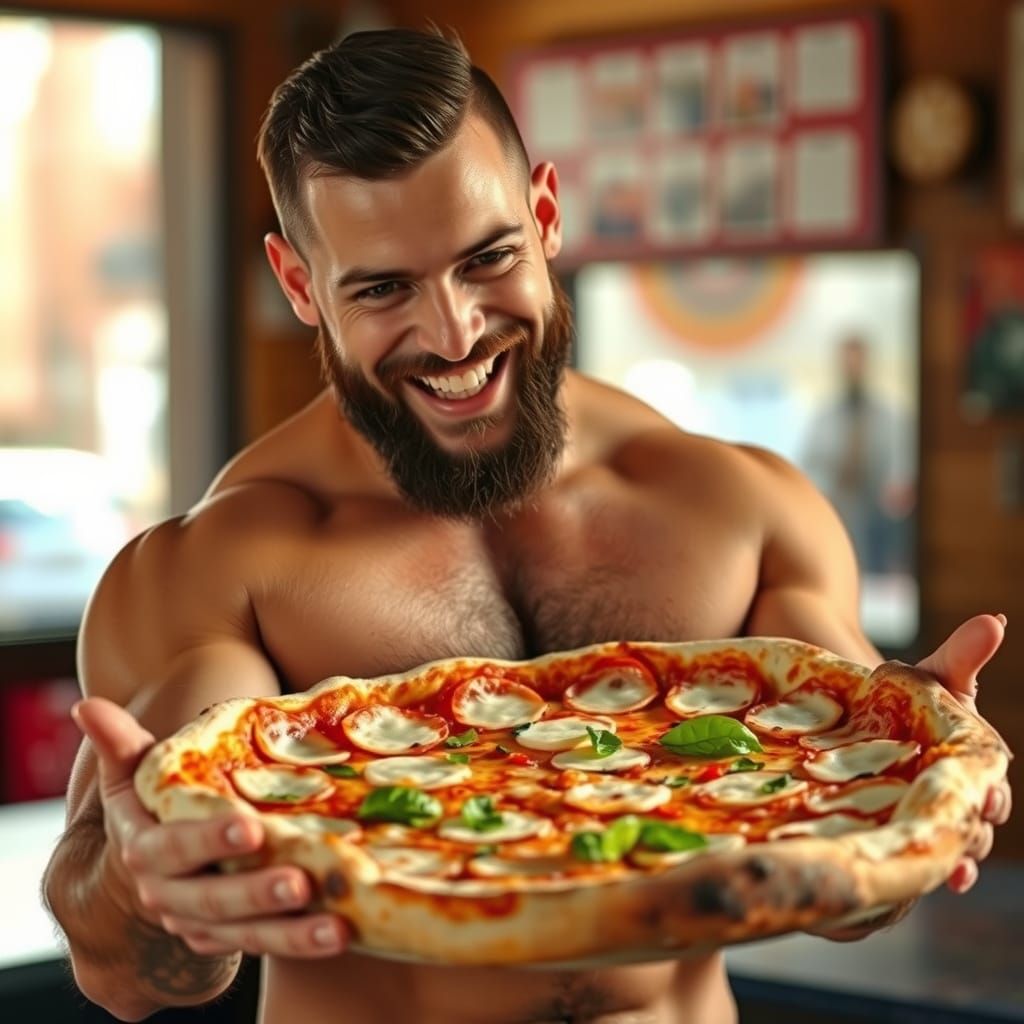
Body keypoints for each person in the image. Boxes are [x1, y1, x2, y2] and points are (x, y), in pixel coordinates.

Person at [43, 27, 1010, 1024]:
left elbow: (851, 887)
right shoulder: (224, 570)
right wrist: (140, 883)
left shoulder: (734, 508)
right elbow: (125, 971)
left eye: (486, 257)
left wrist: (918, 781)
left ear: (543, 215)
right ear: (299, 286)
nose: (454, 333)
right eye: (382, 289)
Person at [802, 335, 916, 575]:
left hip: (880, 514)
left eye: (858, 361)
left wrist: (896, 488)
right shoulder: (823, 417)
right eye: (847, 361)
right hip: (837, 510)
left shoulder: (890, 416)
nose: (852, 367)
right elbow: (809, 465)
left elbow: (902, 463)